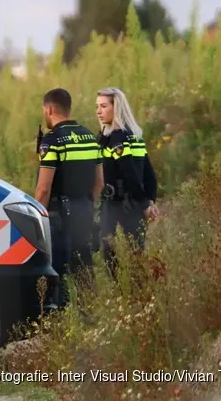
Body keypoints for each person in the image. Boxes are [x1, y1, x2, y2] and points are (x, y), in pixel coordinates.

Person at [34, 88, 104, 306]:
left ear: (49, 109)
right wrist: (85, 205)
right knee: (84, 269)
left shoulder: (52, 141)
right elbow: (99, 184)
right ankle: (91, 318)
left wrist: (37, 219)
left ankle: (61, 323)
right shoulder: (90, 136)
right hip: (84, 211)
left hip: (58, 217)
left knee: (58, 271)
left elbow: (44, 189)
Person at [94, 87, 159, 274]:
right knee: (134, 253)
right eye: (97, 106)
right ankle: (132, 296)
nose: (98, 111)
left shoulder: (118, 139)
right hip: (124, 202)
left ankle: (128, 295)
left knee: (113, 254)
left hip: (123, 203)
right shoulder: (133, 135)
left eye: (104, 106)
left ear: (117, 108)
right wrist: (150, 199)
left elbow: (131, 172)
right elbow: (149, 174)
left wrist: (145, 203)